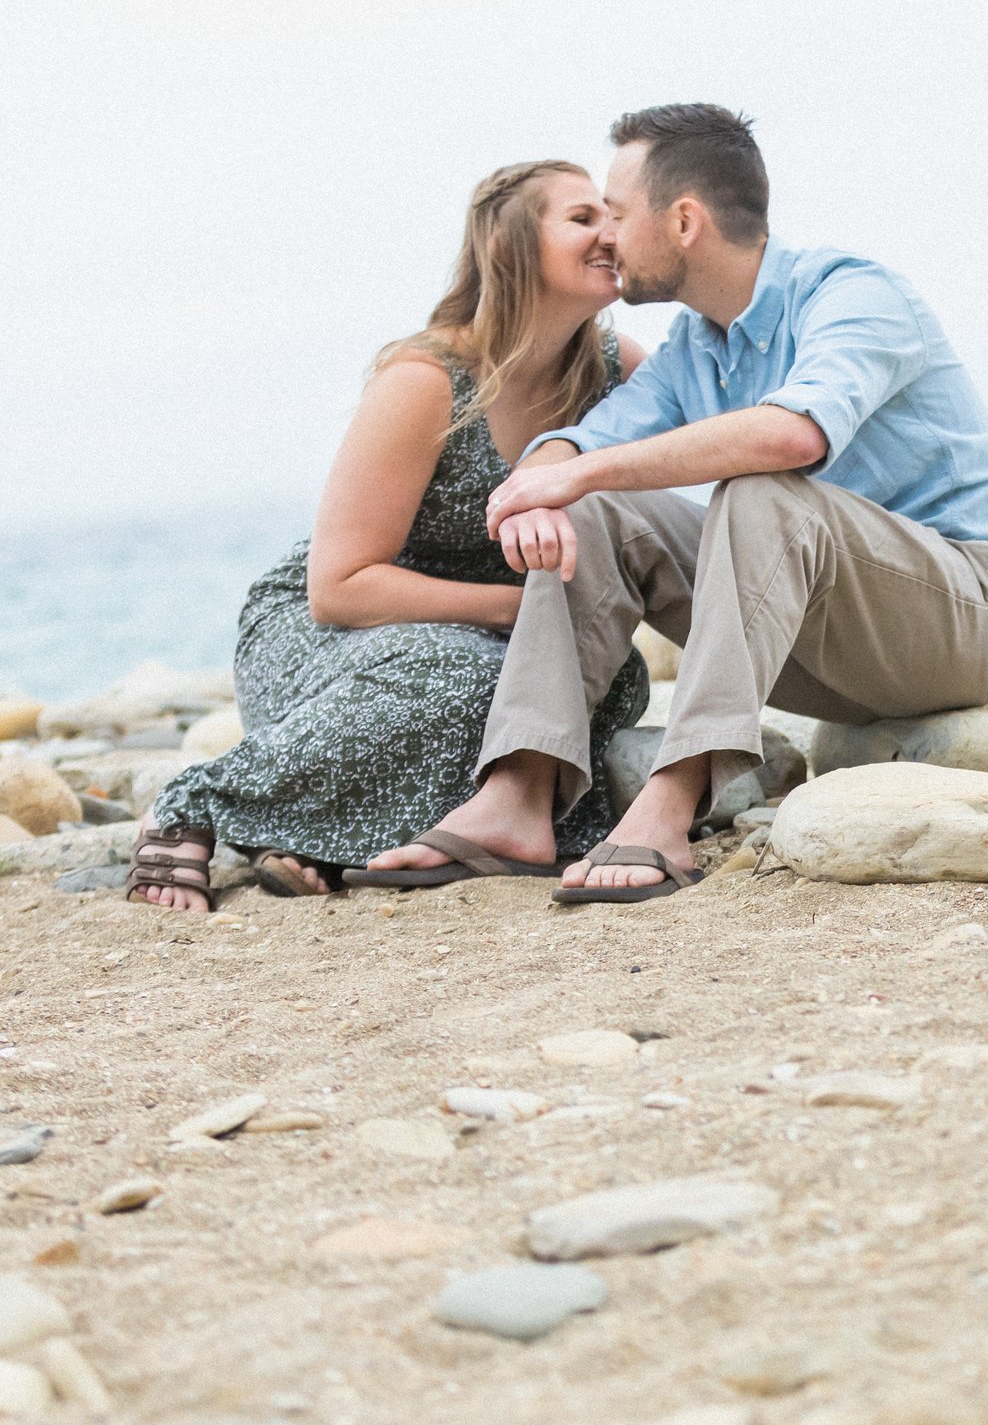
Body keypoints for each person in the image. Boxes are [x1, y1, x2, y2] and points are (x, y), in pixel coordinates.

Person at [353, 103, 988, 903]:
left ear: (683, 221)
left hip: (954, 629)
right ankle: (517, 798)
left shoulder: (854, 295)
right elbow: (588, 442)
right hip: (814, 655)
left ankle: (672, 797)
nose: (606, 235)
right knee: (600, 510)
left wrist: (573, 473)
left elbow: (793, 437)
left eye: (617, 212)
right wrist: (549, 480)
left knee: (761, 489)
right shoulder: (693, 349)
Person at [127, 162, 650, 912]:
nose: (610, 232)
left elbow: (711, 427)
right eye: (581, 218)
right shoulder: (427, 379)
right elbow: (340, 585)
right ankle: (192, 802)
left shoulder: (615, 369)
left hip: (502, 633)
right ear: (510, 247)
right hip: (334, 628)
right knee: (472, 676)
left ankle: (325, 839)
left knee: (614, 679)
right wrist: (520, 612)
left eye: (614, 215)